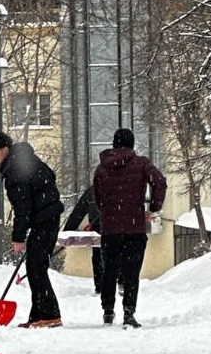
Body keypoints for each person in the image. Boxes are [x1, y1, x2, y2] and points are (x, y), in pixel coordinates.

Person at [0, 131, 64, 328]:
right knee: (35, 266)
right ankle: (39, 315)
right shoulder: (26, 161)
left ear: (4, 149)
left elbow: (23, 207)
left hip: (43, 220)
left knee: (36, 267)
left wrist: (18, 236)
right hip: (48, 218)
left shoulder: (15, 171)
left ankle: (50, 314)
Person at [93, 127, 167, 328]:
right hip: (134, 227)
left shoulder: (101, 169)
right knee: (131, 271)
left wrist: (108, 213)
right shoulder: (141, 164)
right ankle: (129, 313)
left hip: (110, 229)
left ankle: (108, 311)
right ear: (132, 143)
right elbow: (159, 181)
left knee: (109, 268)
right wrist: (153, 208)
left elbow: (98, 199)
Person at [62, 172, 103, 294]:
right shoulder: (92, 192)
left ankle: (105, 286)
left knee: (102, 257)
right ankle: (102, 287)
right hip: (100, 230)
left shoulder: (95, 191)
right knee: (101, 257)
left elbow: (78, 212)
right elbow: (78, 213)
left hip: (111, 229)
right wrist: (67, 234)